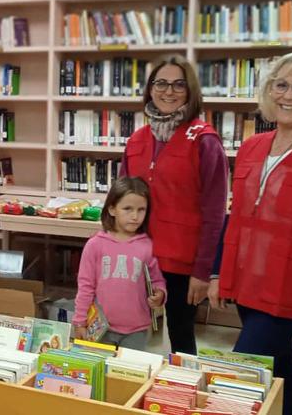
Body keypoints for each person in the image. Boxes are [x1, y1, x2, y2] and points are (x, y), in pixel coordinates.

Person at [208, 51, 292, 415]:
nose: (288, 95)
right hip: (247, 282)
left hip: (286, 290)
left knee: (240, 373)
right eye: (281, 85)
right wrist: (218, 272)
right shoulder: (251, 147)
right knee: (280, 370)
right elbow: (235, 216)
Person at [121, 54, 228, 355]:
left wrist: (204, 272)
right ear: (150, 89)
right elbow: (119, 199)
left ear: (190, 90)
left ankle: (180, 397)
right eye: (161, 83)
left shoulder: (205, 141)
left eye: (178, 85)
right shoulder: (136, 140)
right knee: (126, 329)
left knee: (180, 338)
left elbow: (214, 213)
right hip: (137, 256)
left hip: (183, 265)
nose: (169, 91)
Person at [72, 177, 166, 351]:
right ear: (112, 209)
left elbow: (157, 281)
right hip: (100, 328)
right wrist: (79, 322)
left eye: (141, 210)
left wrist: (160, 295)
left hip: (137, 330)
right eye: (128, 209)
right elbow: (85, 287)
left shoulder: (148, 246)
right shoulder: (95, 245)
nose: (135, 216)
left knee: (128, 374)